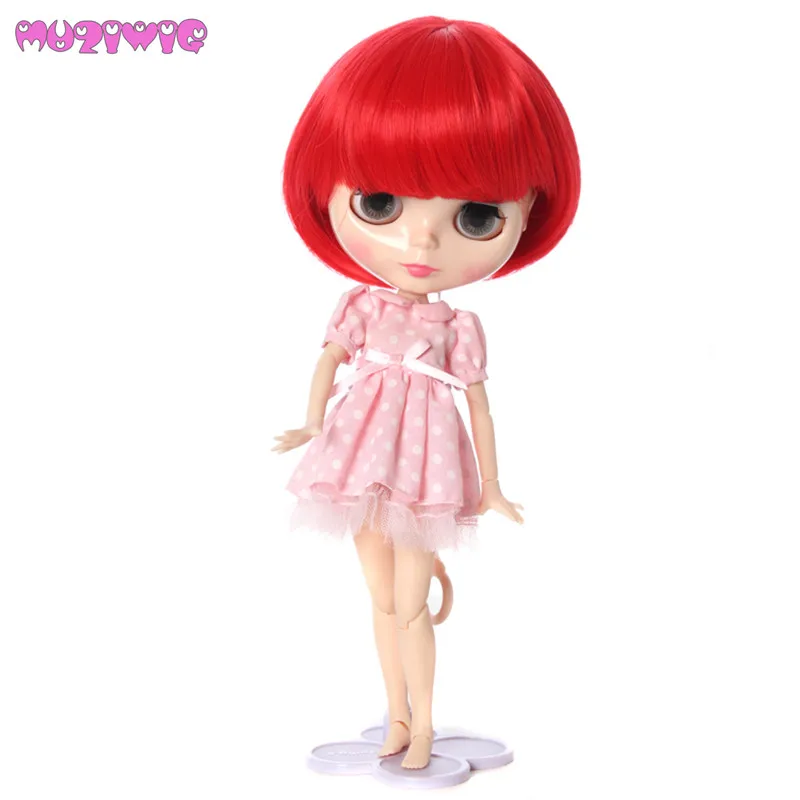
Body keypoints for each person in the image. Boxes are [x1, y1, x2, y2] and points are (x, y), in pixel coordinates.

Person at [273, 15, 580, 770]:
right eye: (381, 203)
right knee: (381, 601)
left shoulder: (459, 326)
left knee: (411, 605)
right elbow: (328, 364)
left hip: (427, 467)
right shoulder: (359, 306)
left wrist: (493, 485)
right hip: (358, 455)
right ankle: (397, 720)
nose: (421, 242)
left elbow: (478, 404)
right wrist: (309, 424)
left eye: (475, 217)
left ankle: (427, 727)